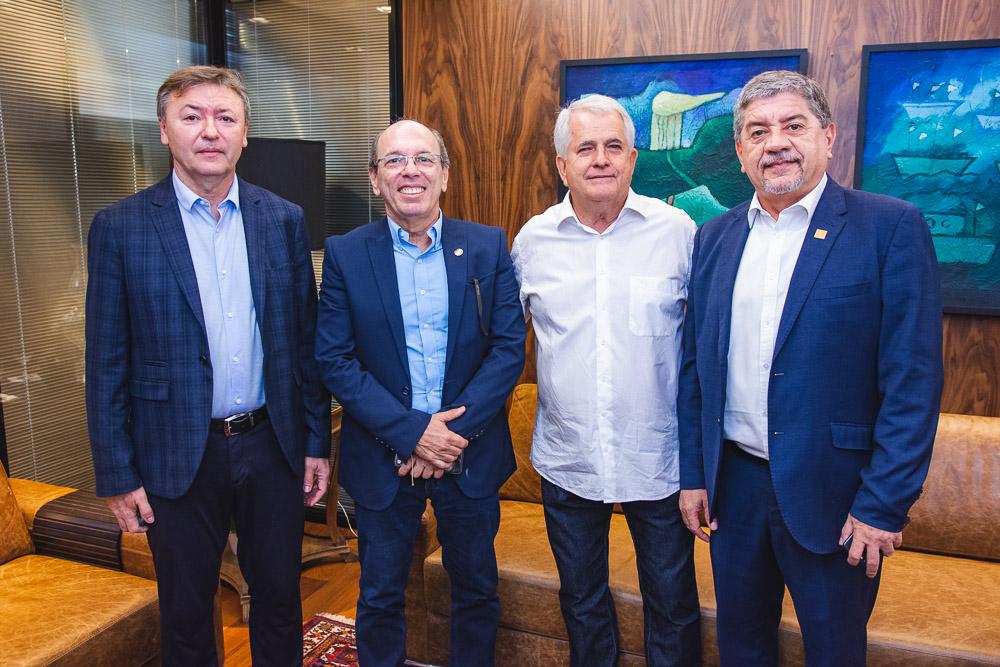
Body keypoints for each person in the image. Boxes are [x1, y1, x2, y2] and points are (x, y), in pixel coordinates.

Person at [678, 70, 943, 666]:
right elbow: (697, 370)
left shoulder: (889, 226)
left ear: (827, 136)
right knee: (741, 648)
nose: (776, 143)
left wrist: (882, 505)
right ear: (740, 151)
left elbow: (913, 382)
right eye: (758, 132)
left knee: (833, 651)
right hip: (734, 488)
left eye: (793, 126)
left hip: (837, 493)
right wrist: (695, 475)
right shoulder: (714, 238)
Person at [85, 65, 331, 666]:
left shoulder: (283, 219)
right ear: (164, 129)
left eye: (225, 117)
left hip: (270, 445)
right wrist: (117, 473)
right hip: (173, 452)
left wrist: (316, 443)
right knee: (187, 612)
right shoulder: (121, 227)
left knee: (280, 600)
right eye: (191, 117)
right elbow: (106, 361)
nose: (210, 131)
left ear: (245, 133)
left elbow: (304, 343)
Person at [315, 119, 526, 666]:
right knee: (381, 594)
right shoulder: (345, 253)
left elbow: (509, 349)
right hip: (384, 458)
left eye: (424, 159)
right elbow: (335, 359)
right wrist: (413, 434)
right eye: (394, 160)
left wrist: (448, 436)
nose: (410, 171)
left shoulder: (486, 245)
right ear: (375, 178)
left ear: (444, 175)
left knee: (475, 590)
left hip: (467, 453)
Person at [511, 94, 701, 666]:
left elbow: (704, 348)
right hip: (568, 455)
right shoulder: (532, 241)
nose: (600, 159)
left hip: (658, 458)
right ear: (561, 164)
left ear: (633, 158)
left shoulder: (677, 231)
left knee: (672, 602)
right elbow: (499, 344)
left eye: (613, 146)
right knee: (581, 599)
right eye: (585, 148)